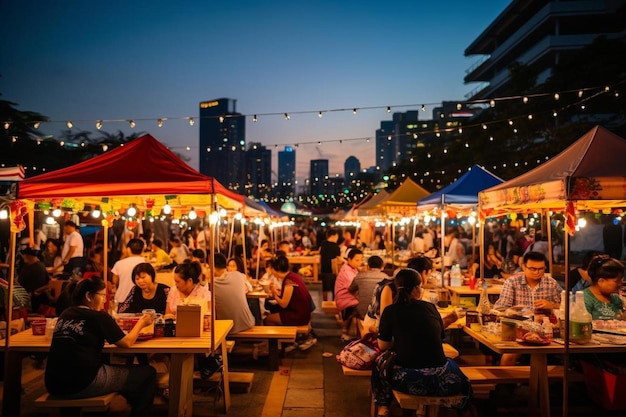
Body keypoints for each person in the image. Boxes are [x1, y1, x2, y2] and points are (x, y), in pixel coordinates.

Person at [44, 276, 156, 417]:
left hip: (53, 384)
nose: (104, 300)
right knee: (147, 373)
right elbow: (126, 342)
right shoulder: (99, 317)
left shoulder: (65, 314)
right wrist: (142, 322)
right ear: (89, 296)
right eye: (102, 296)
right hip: (84, 383)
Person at [371, 269, 472, 417]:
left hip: (409, 380)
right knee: (451, 361)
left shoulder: (390, 311)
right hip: (442, 379)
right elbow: (440, 336)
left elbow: (383, 346)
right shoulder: (430, 307)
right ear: (416, 289)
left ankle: (383, 405)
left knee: (379, 362)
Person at [494, 251, 562, 365]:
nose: (537, 272)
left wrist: (552, 306)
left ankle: (546, 381)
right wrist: (521, 311)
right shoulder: (512, 282)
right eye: (533, 269)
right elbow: (500, 309)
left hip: (545, 330)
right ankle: (505, 383)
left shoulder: (551, 283)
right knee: (509, 356)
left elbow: (562, 306)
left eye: (541, 269)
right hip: (518, 329)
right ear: (523, 267)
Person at [264, 255, 313, 327]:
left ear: (275, 269)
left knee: (268, 319)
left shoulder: (289, 281)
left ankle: (280, 337)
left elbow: (284, 304)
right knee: (273, 311)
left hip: (299, 316)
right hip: (302, 312)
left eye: (271, 268)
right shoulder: (292, 275)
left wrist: (274, 295)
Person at [212, 253, 255, 334]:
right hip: (247, 322)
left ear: (212, 267)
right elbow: (247, 288)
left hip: (227, 329)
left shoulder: (212, 284)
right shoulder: (239, 276)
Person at [348, 255, 388, 325]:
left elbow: (351, 290)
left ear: (368, 266)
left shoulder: (359, 276)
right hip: (380, 315)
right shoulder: (386, 278)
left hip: (362, 312)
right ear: (382, 267)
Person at [582, 255, 625, 320]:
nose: (620, 284)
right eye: (617, 281)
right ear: (601, 281)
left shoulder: (616, 299)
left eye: (621, 280)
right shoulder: (584, 299)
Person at [334, 248, 364, 341]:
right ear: (349, 259)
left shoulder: (351, 268)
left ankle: (354, 334)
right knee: (364, 307)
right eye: (357, 260)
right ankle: (350, 334)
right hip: (346, 300)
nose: (359, 262)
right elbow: (354, 289)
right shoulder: (347, 272)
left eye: (361, 260)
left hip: (348, 298)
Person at [112, 238, 146, 306]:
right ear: (142, 250)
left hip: (121, 299)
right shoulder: (146, 264)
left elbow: (114, 281)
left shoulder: (119, 263)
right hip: (140, 300)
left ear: (128, 249)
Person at [17, 247, 50, 313]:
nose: (23, 257)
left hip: (30, 301)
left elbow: (19, 282)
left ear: (27, 256)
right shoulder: (41, 266)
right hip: (38, 300)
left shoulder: (30, 268)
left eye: (24, 255)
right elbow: (48, 282)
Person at [320, 229, 342, 301]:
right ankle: (334, 301)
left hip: (324, 268)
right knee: (334, 287)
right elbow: (338, 258)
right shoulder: (335, 246)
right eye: (337, 237)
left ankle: (325, 301)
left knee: (325, 288)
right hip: (332, 270)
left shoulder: (323, 244)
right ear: (334, 236)